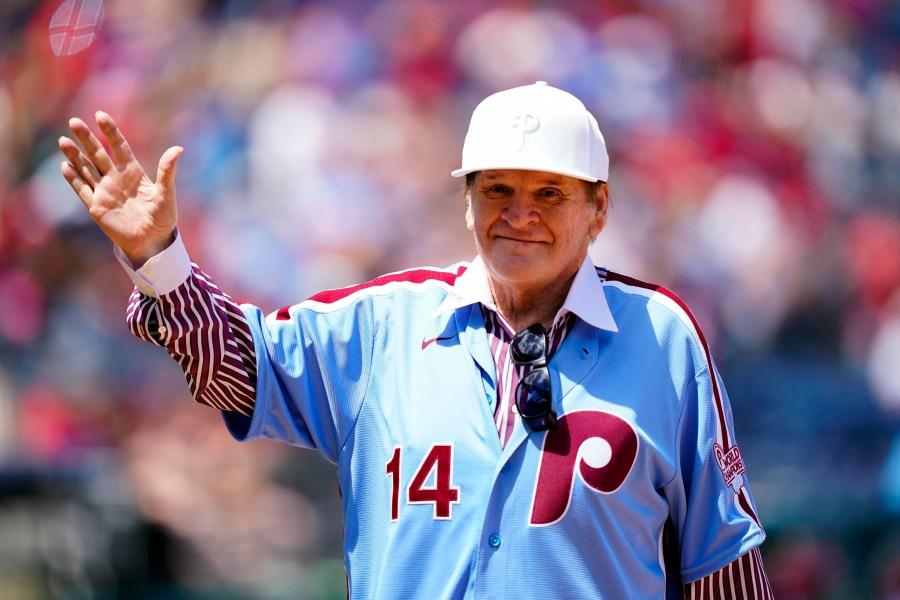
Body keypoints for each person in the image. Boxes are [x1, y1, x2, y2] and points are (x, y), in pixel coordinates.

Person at [59, 81, 773, 598]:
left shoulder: (663, 336)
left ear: (598, 209)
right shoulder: (384, 323)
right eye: (498, 190)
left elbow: (721, 561)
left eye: (549, 193)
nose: (519, 215)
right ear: (467, 203)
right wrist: (161, 259)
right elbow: (238, 364)